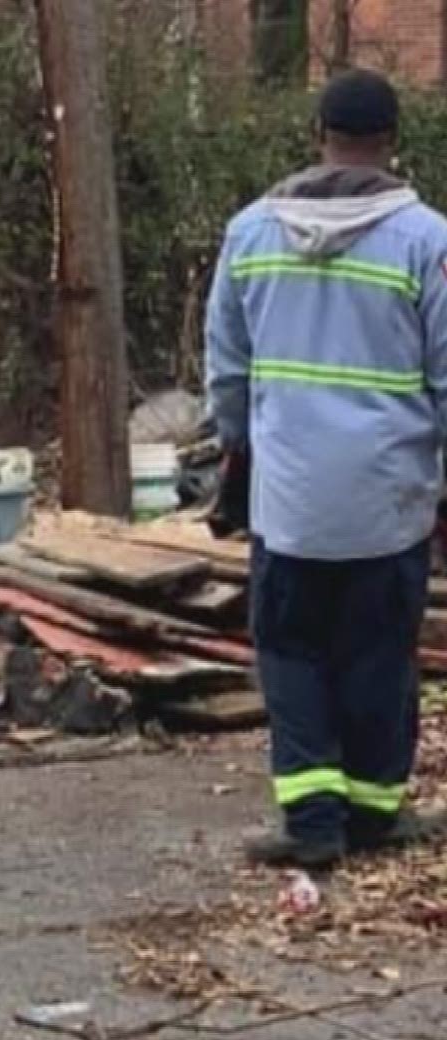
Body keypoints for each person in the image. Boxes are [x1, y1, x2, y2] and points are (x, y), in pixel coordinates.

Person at [207, 68, 447, 870]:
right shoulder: (428, 242)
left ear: (318, 134)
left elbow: (227, 370)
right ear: (391, 143)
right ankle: (375, 813)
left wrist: (241, 449)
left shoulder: (249, 233)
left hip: (290, 502)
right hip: (389, 501)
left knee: (292, 653)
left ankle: (312, 826)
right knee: (379, 654)